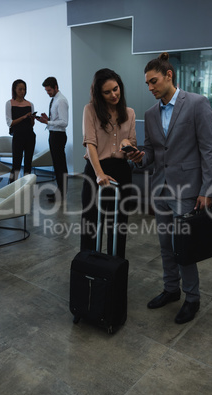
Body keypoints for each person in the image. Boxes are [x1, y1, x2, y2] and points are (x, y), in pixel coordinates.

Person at [129, 52, 212, 324]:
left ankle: (192, 298)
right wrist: (139, 156)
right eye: (147, 84)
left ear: (169, 75)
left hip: (187, 191)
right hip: (160, 189)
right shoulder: (150, 114)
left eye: (153, 81)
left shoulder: (197, 104)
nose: (150, 87)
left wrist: (206, 190)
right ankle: (171, 289)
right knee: (166, 245)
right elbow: (154, 152)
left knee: (184, 248)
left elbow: (209, 150)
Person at [80, 68, 137, 259]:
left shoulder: (129, 113)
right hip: (97, 170)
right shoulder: (90, 110)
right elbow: (90, 144)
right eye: (107, 92)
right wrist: (99, 174)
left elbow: (131, 141)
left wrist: (127, 145)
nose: (114, 94)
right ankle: (89, 270)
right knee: (91, 224)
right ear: (99, 94)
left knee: (118, 225)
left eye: (116, 89)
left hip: (121, 172)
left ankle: (114, 273)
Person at [36, 77, 68, 202]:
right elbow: (57, 120)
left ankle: (62, 193)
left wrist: (48, 121)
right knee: (57, 165)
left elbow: (64, 123)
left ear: (55, 87)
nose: (48, 93)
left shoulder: (61, 101)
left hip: (58, 136)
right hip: (54, 134)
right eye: (46, 91)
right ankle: (59, 191)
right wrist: (47, 120)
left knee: (60, 166)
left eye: (49, 90)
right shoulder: (55, 99)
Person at [5, 79, 36, 182]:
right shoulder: (9, 103)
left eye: (24, 89)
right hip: (18, 136)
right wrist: (23, 117)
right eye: (20, 89)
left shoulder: (29, 104)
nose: (22, 91)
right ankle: (11, 189)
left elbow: (32, 124)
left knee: (28, 164)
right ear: (14, 89)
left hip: (30, 136)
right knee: (16, 164)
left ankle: (27, 188)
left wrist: (32, 118)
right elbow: (10, 123)